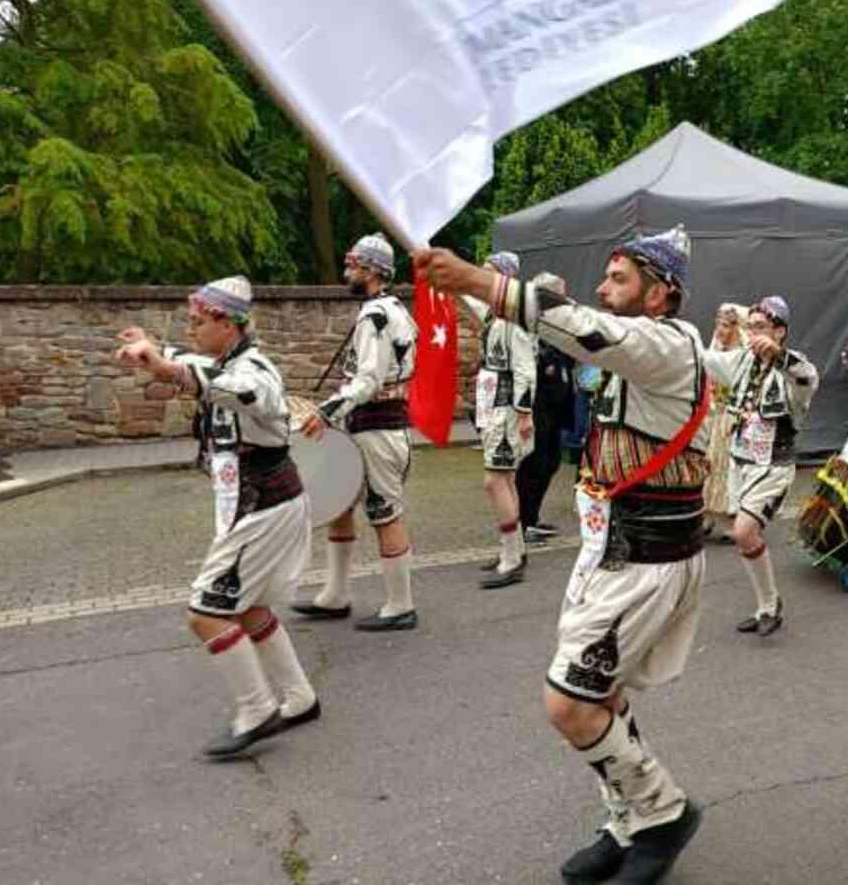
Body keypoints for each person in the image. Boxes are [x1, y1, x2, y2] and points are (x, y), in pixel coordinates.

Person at [415, 225, 707, 885]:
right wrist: (462, 286)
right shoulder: (652, 345)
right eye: (604, 279)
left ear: (660, 295)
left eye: (619, 280)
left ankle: (663, 813)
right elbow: (568, 326)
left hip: (649, 553)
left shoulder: (660, 343)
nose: (603, 289)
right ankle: (630, 819)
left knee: (568, 703)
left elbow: (576, 326)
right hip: (614, 545)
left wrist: (474, 278)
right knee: (596, 693)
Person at [115, 277, 319, 758]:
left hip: (263, 506)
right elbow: (194, 365)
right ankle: (299, 698)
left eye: (198, 322)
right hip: (256, 504)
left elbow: (238, 390)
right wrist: (154, 351)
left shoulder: (255, 371)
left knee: (205, 613)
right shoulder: (223, 360)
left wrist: (164, 366)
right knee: (248, 608)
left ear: (227, 323)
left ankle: (256, 708)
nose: (191, 331)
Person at [291, 234, 420, 631]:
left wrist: (327, 411)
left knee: (384, 513)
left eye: (352, 266)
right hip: (364, 427)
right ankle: (336, 595)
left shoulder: (376, 316)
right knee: (339, 505)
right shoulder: (385, 310)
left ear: (371, 271)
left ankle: (401, 605)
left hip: (378, 429)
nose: (347, 272)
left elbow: (367, 380)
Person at [705, 296, 818, 637]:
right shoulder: (741, 361)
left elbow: (807, 377)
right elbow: (706, 360)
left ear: (780, 331)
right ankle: (768, 606)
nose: (753, 334)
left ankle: (769, 605)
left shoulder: (793, 369)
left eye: (762, 327)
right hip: (740, 464)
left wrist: (779, 354)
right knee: (744, 536)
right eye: (750, 327)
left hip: (772, 466)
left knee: (743, 531)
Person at [465, 251, 537, 588]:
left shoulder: (511, 322)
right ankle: (515, 549)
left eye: (489, 274)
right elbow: (468, 301)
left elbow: (526, 370)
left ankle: (511, 558)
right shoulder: (495, 316)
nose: (483, 278)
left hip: (506, 409)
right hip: (494, 405)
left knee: (495, 481)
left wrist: (524, 413)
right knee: (505, 480)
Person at [517, 272, 575, 544]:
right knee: (534, 464)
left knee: (550, 462)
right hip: (538, 404)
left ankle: (533, 518)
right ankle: (523, 522)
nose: (565, 298)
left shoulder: (558, 324)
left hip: (556, 406)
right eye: (561, 293)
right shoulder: (531, 325)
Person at [702, 304, 746, 543]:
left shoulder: (741, 353)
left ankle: (732, 520)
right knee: (709, 464)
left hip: (732, 416)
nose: (720, 329)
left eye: (726, 325)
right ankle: (707, 515)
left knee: (728, 468)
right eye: (718, 323)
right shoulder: (716, 347)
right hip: (714, 414)